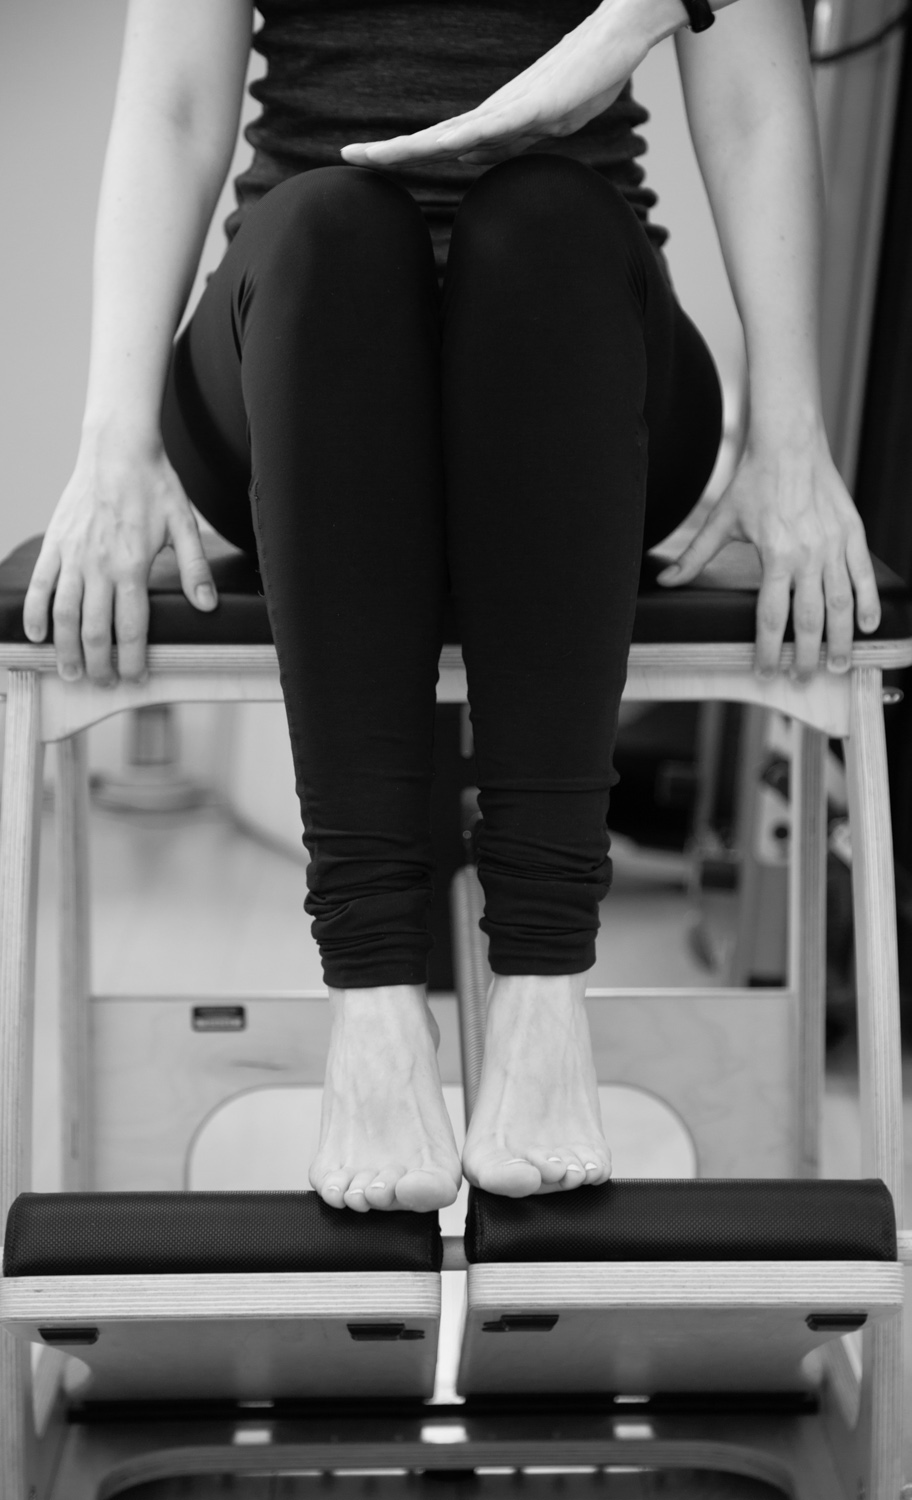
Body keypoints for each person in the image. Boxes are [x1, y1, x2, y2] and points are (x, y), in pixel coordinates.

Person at [23, 0, 881, 1213]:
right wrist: (112, 442)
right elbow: (173, 106)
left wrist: (791, 435)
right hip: (303, 341)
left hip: (573, 344)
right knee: (329, 223)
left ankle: (542, 998)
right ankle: (373, 1012)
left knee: (541, 216)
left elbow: (747, 94)